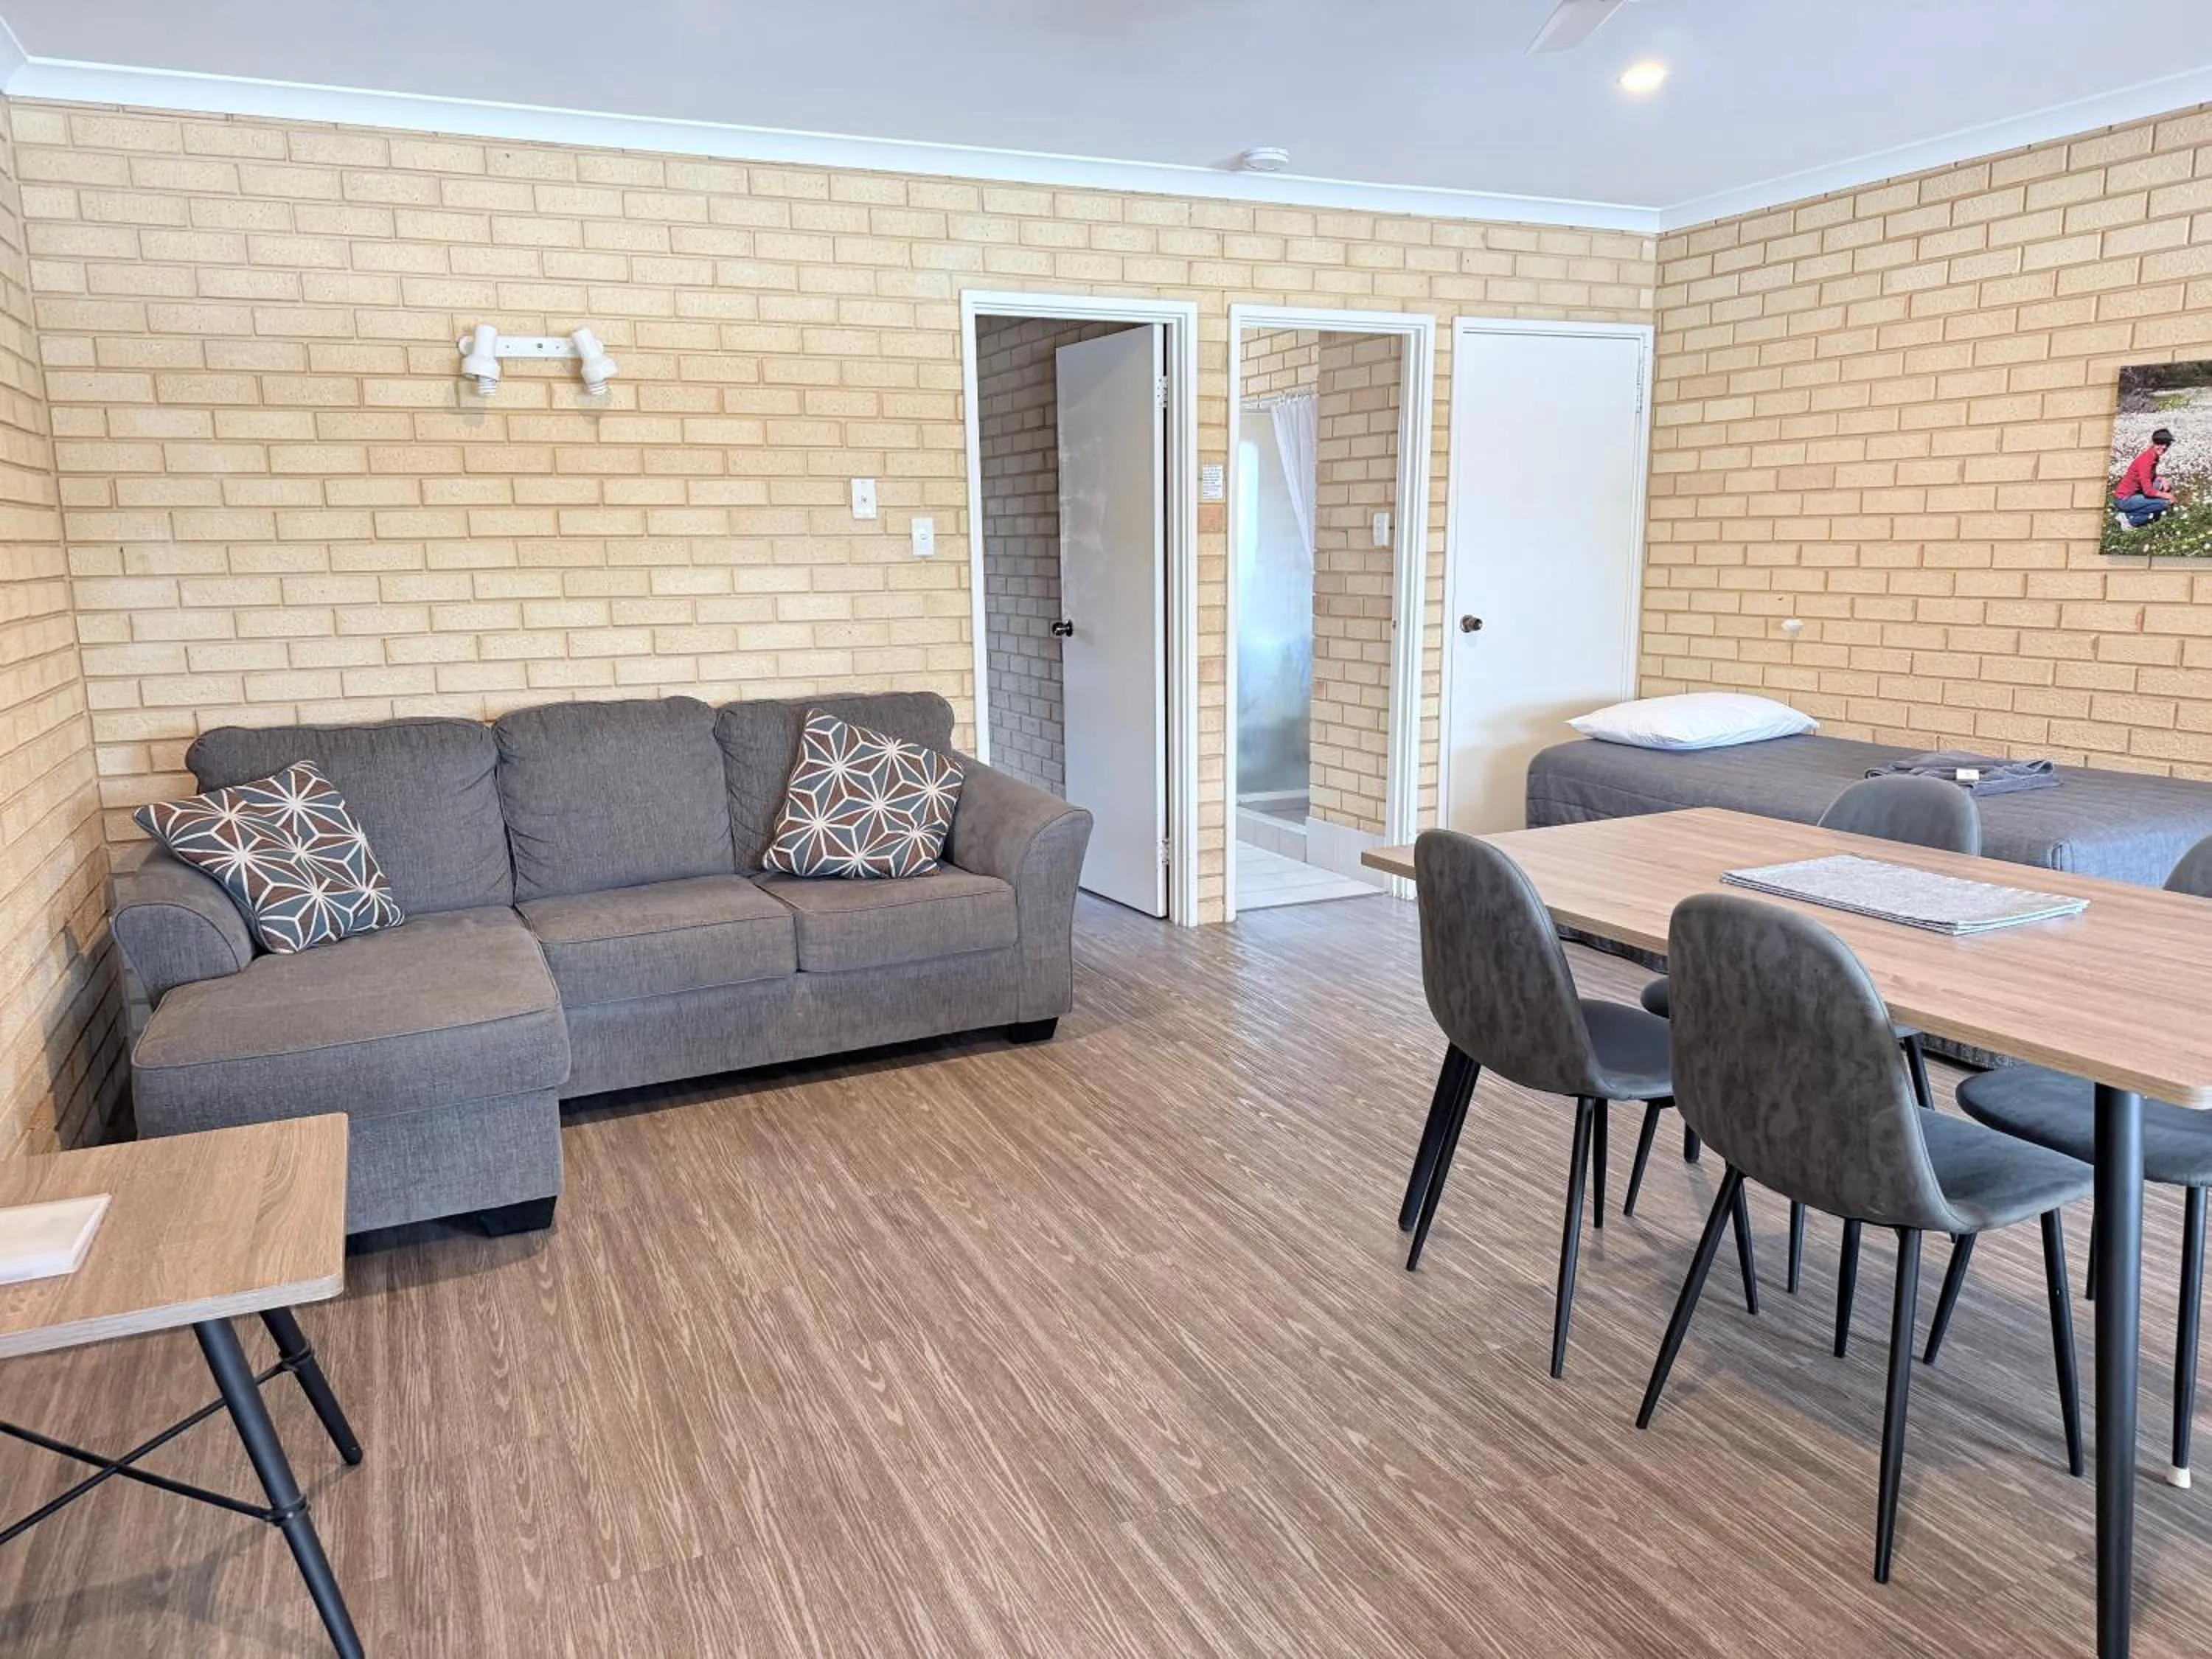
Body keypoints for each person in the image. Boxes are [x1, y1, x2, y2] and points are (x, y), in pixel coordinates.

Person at [2115, 428, 2177, 526]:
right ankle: (2129, 519)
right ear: (2153, 442)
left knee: (2162, 485)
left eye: (2167, 444)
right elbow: (2148, 491)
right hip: (2124, 500)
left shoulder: (2153, 455)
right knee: (2165, 503)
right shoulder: (2147, 460)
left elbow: (2149, 477)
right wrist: (2168, 496)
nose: (2164, 447)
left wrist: (2162, 479)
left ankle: (2143, 511)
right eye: (2160, 443)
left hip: (2131, 495)